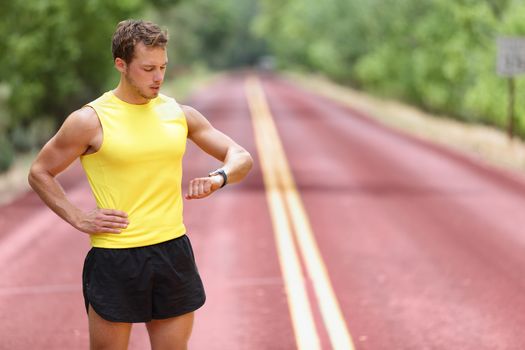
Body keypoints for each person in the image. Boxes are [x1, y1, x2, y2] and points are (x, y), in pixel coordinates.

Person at [28, 19, 253, 350]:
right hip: (115, 257)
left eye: (162, 66)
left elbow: (241, 156)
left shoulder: (178, 114)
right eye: (148, 68)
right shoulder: (90, 120)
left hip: (172, 251)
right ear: (121, 64)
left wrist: (218, 177)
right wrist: (78, 217)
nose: (158, 77)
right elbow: (39, 172)